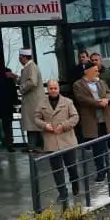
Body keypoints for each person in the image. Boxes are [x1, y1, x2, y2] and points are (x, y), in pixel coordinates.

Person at [72, 62, 110, 183]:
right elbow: (81, 98)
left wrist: (107, 99)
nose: (97, 72)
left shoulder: (101, 82)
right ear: (87, 71)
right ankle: (101, 173)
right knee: (98, 150)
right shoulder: (78, 84)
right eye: (95, 70)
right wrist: (97, 103)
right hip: (93, 122)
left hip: (107, 120)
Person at [34, 80, 81, 208]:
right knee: (57, 169)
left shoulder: (67, 102)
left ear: (59, 89)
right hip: (51, 140)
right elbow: (36, 118)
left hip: (67, 140)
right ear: (47, 89)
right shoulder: (42, 103)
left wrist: (64, 125)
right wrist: (44, 125)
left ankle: (75, 184)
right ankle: (62, 192)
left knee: (71, 166)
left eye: (55, 88)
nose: (53, 90)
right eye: (51, 88)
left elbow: (75, 117)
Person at [17, 49, 44, 152]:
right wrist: (17, 78)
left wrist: (21, 88)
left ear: (24, 57)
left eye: (20, 57)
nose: (19, 59)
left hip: (34, 101)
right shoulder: (27, 67)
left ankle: (43, 146)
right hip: (31, 101)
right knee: (31, 125)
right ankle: (31, 146)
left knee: (36, 123)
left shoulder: (31, 67)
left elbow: (32, 82)